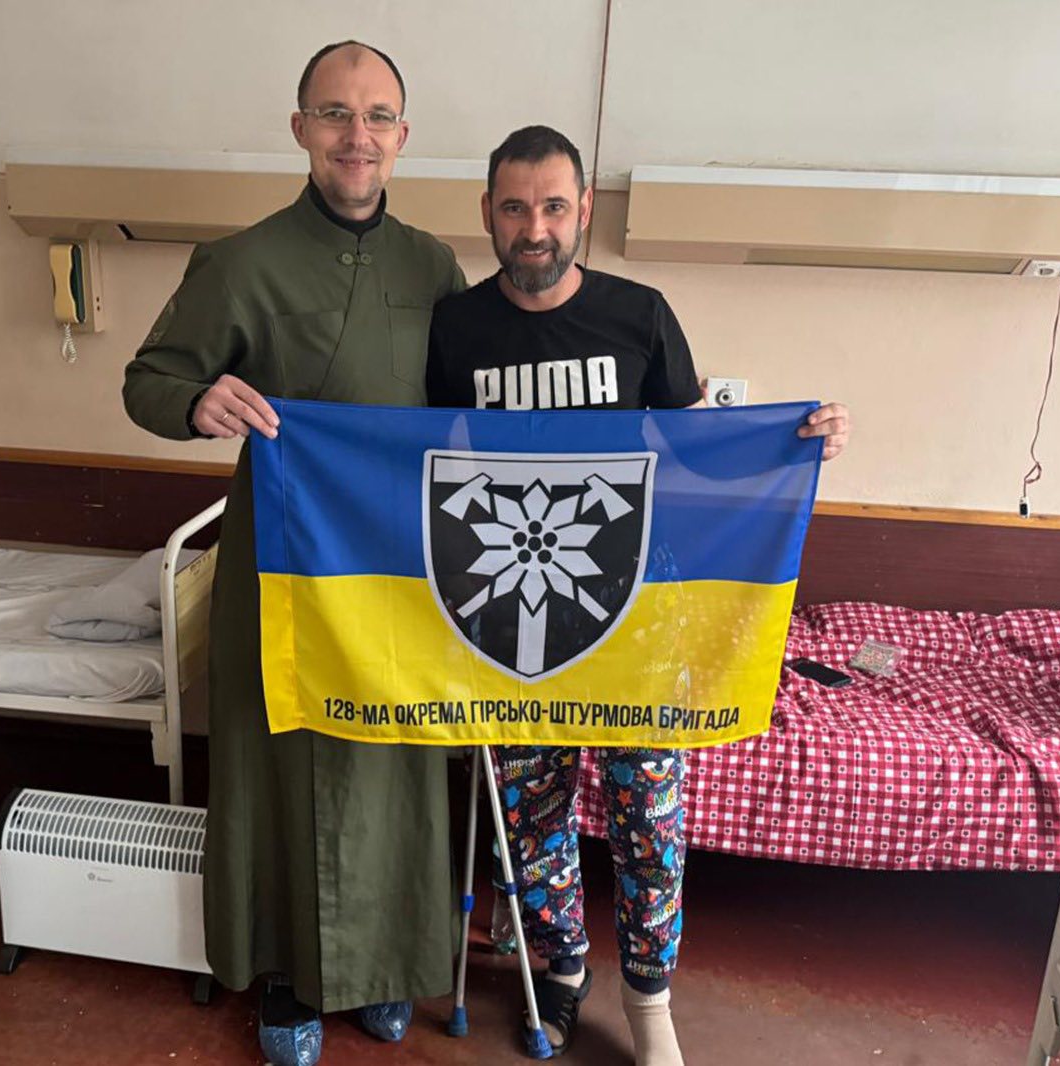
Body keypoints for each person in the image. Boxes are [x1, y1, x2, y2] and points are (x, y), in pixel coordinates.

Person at [426, 125, 851, 1065]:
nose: (534, 228)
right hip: (515, 613)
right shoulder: (453, 328)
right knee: (531, 819)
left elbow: (698, 454)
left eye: (553, 206)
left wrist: (794, 440)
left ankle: (650, 997)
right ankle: (561, 970)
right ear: (487, 212)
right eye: (513, 208)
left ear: (583, 210)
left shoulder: (640, 315)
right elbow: (419, 462)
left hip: (634, 617)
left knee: (648, 818)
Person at [122, 41, 467, 1066]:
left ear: (403, 136)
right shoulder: (240, 261)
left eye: (376, 116)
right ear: (300, 129)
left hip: (397, 565)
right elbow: (147, 380)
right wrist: (196, 400)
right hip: (279, 560)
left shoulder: (435, 267)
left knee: (395, 759)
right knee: (281, 761)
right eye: (334, 114)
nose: (356, 136)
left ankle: (387, 963)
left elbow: (478, 407)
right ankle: (286, 974)